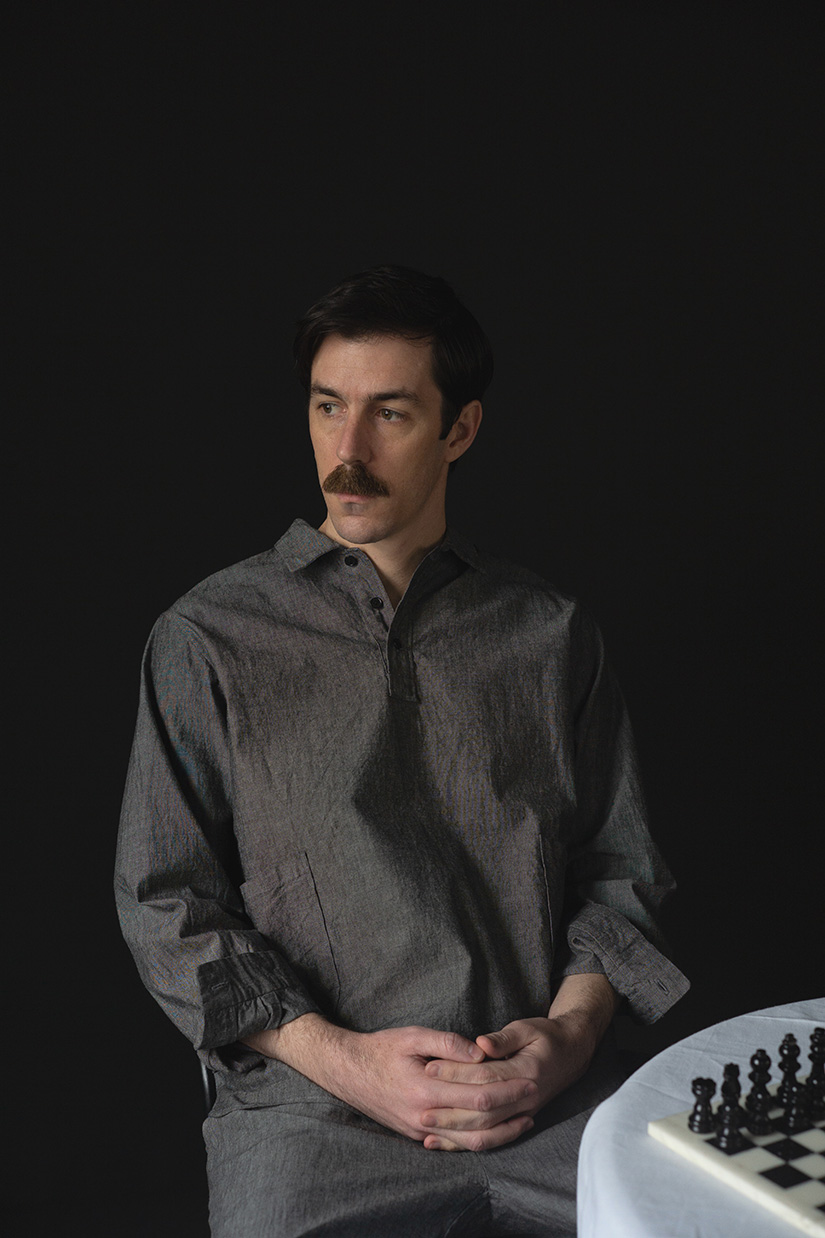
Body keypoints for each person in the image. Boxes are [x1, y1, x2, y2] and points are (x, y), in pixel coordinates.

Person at [115, 265, 688, 1237]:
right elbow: (165, 903)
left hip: (542, 1100)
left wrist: (568, 1036)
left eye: (390, 413)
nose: (348, 450)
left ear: (459, 429)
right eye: (327, 407)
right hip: (311, 1115)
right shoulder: (207, 636)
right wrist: (345, 1061)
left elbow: (620, 873)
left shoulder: (550, 633)